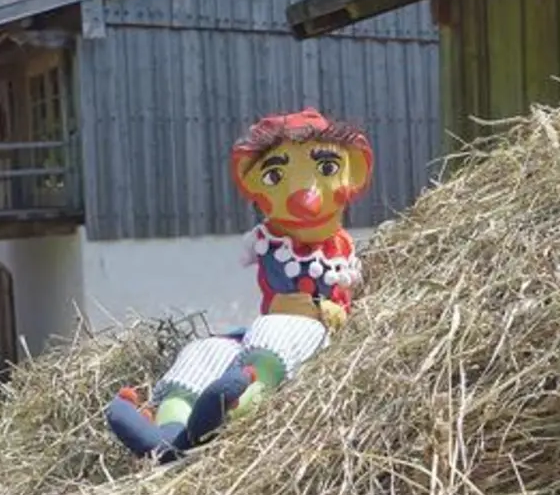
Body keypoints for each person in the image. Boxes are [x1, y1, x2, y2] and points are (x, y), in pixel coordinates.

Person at [105, 109, 374, 462]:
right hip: (263, 332)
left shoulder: (340, 253)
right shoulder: (269, 242)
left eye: (326, 169)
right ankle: (169, 432)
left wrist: (327, 309)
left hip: (313, 333)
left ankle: (237, 409)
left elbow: (344, 305)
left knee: (272, 329)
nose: (302, 196)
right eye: (276, 176)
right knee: (205, 350)